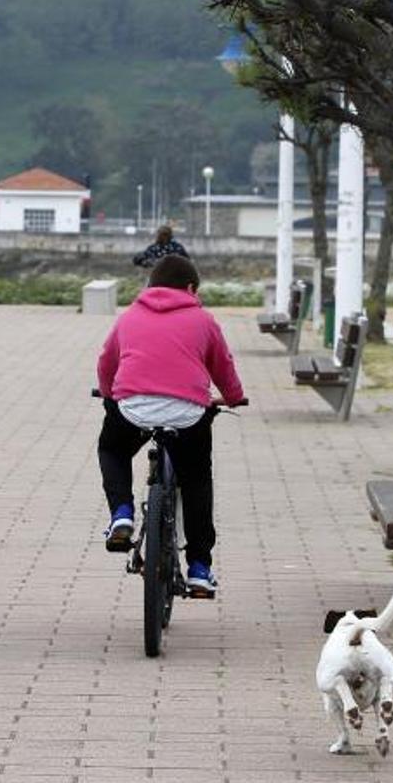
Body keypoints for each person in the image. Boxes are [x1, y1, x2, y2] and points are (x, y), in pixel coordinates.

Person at [95, 254, 246, 596]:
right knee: (196, 480)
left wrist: (109, 394)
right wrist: (234, 396)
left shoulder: (129, 316)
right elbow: (223, 367)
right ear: (191, 287)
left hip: (132, 408)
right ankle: (199, 567)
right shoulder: (203, 320)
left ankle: (121, 513)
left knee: (112, 448)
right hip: (187, 414)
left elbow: (107, 362)